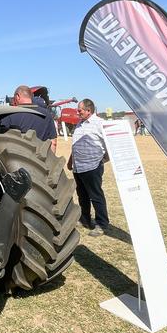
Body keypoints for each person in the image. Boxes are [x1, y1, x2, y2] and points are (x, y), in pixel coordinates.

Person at [67, 98, 109, 237]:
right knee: (82, 195)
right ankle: (85, 219)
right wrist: (70, 161)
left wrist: (103, 160)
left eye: (80, 110)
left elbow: (109, 145)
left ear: (89, 110)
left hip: (93, 166)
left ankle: (101, 224)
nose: (77, 113)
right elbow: (76, 145)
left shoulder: (100, 124)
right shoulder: (79, 124)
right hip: (78, 167)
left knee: (95, 196)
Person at [0, 85, 57, 153]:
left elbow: (2, 140)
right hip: (41, 160)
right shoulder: (47, 114)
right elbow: (53, 143)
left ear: (17, 96)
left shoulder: (9, 114)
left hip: (17, 160)